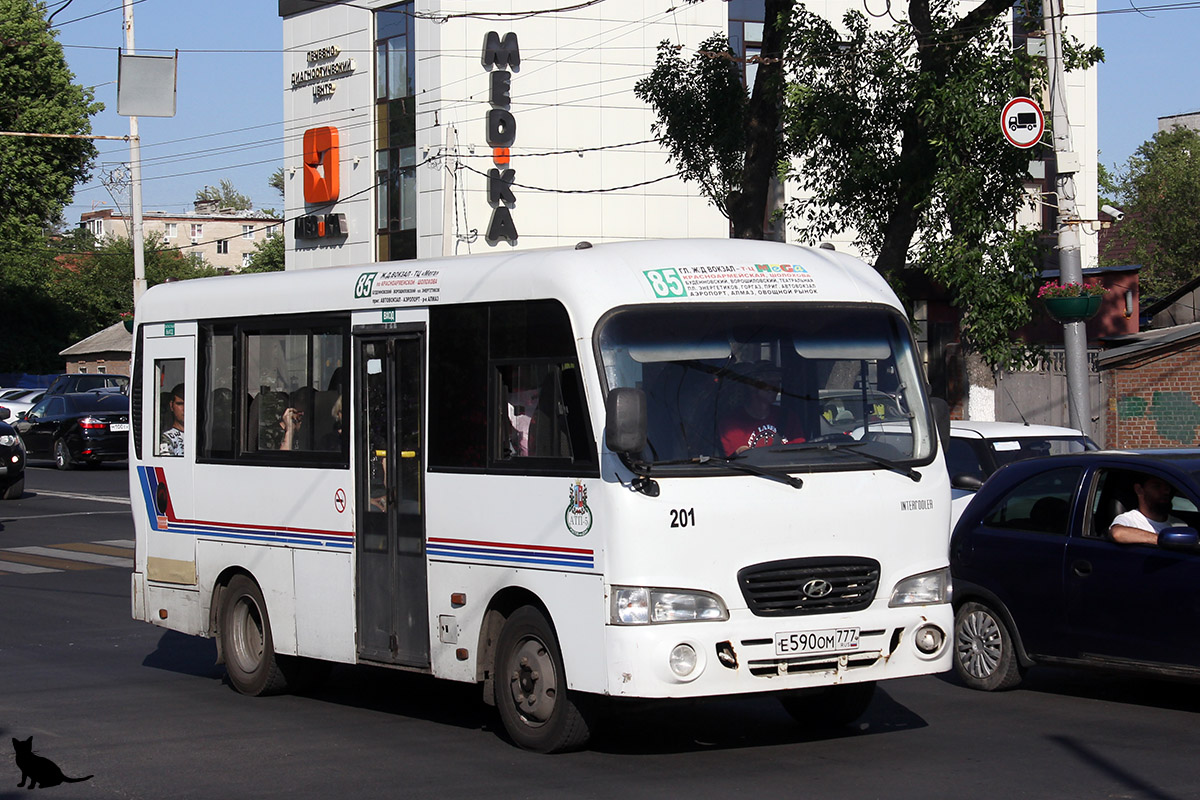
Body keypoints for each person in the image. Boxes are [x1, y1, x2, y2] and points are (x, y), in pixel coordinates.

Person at [718, 361, 804, 457]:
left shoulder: (788, 417)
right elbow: (739, 460)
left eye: (777, 383)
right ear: (752, 385)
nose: (775, 388)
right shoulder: (731, 424)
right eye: (769, 383)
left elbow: (799, 453)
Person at [1109, 474, 1184, 545]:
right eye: (1157, 486)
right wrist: (1162, 540)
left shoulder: (1179, 524)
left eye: (1167, 487)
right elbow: (1117, 534)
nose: (1165, 491)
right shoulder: (1129, 520)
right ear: (1139, 489)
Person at [159, 384, 185, 456]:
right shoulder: (167, 439)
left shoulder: (202, 437)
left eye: (188, 404)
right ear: (171, 406)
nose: (185, 408)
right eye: (180, 404)